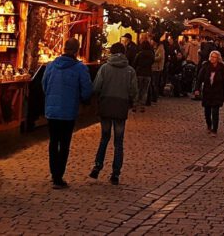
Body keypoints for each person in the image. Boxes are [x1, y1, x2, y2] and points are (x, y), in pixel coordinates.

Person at [42, 38, 93, 189]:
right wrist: (83, 99)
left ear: (64, 48)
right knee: (64, 143)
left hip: (52, 110)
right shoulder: (80, 68)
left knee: (53, 141)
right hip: (68, 110)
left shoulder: (51, 66)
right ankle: (59, 176)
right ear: (77, 50)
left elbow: (44, 85)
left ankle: (54, 173)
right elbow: (86, 89)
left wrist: (51, 97)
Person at [90, 43, 137, 185]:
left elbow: (96, 87)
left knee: (104, 138)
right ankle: (115, 173)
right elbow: (134, 91)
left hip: (106, 105)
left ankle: (97, 166)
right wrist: (132, 102)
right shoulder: (130, 70)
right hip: (121, 107)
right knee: (118, 141)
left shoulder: (105, 68)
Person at [195, 50, 224, 134]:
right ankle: (209, 125)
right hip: (207, 92)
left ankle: (215, 129)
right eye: (212, 57)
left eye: (215, 57)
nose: (213, 59)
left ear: (218, 58)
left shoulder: (222, 68)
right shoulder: (205, 66)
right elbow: (199, 79)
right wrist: (197, 89)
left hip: (217, 92)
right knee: (207, 111)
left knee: (215, 112)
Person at [134, 40, 154, 109]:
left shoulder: (140, 54)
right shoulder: (151, 54)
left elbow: (135, 63)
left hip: (139, 73)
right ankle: (142, 105)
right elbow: (152, 62)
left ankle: (135, 105)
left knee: (138, 89)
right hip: (148, 74)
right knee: (145, 90)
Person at [151, 38, 166, 104]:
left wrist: (152, 58)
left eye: (152, 40)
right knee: (154, 82)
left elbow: (160, 57)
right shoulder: (155, 48)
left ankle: (155, 97)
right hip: (154, 67)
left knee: (155, 83)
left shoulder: (160, 48)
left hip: (157, 68)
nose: (151, 41)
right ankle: (154, 96)